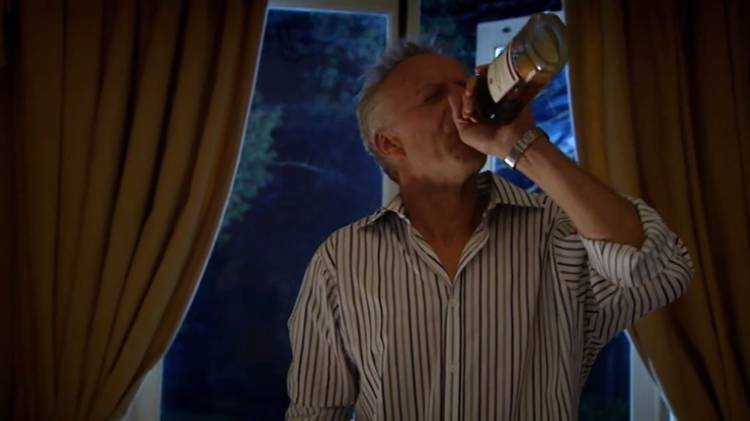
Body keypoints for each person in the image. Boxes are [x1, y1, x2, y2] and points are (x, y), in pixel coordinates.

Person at [285, 40, 693, 421]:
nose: (465, 100)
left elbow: (661, 272)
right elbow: (316, 412)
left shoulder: (558, 233)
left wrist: (525, 145)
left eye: (464, 86)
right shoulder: (342, 260)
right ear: (390, 143)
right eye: (433, 97)